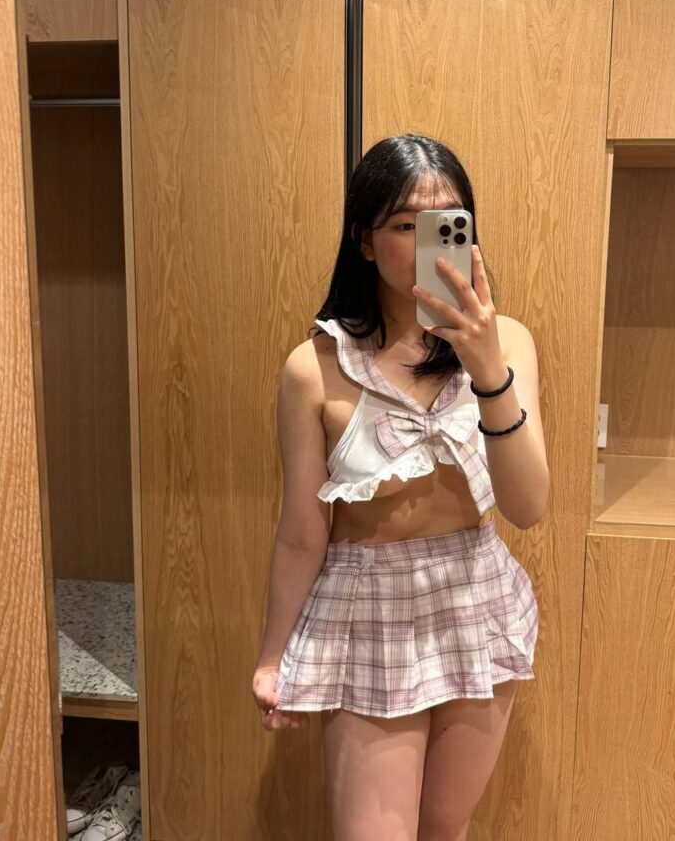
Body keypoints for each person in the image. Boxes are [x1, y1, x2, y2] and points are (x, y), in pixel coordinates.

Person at [252, 133, 549, 841]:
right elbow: (302, 532)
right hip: (368, 609)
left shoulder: (508, 342)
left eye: (445, 222)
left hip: (476, 595)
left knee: (445, 826)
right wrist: (271, 655)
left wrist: (487, 370)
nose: (426, 244)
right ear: (364, 241)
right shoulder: (314, 368)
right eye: (403, 225)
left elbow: (528, 507)